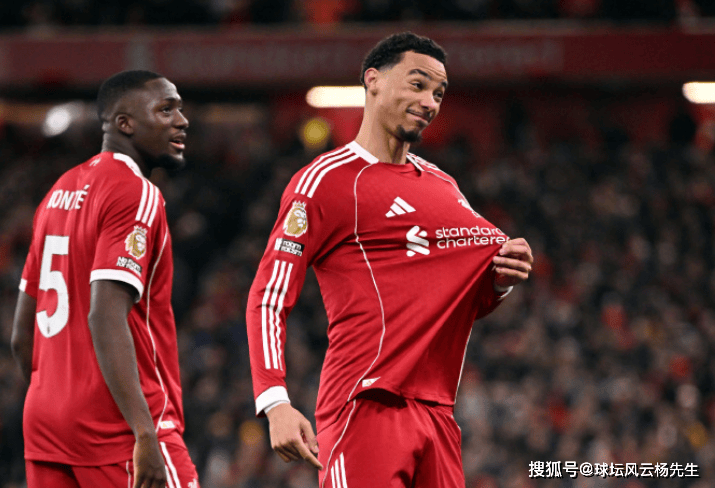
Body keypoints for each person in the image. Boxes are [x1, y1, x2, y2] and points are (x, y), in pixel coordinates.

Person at [246, 32, 534, 487]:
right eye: (418, 85)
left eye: (438, 93)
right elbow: (269, 296)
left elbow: (469, 298)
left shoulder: (443, 186)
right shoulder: (324, 182)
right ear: (373, 80)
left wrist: (502, 279)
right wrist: (274, 400)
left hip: (438, 414)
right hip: (365, 406)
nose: (429, 102)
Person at [11, 70, 199, 488]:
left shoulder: (57, 193)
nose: (181, 120)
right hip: (117, 428)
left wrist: (58, 399)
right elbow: (105, 315)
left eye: (180, 109)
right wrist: (144, 432)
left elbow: (21, 338)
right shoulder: (136, 193)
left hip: (45, 425)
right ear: (124, 123)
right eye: (166, 110)